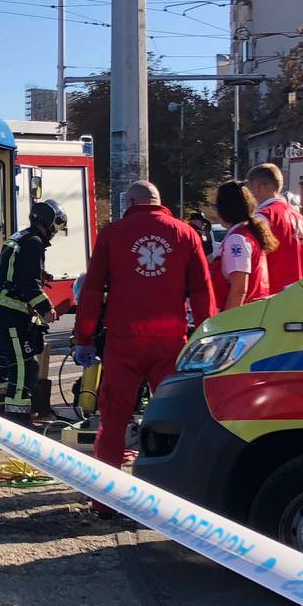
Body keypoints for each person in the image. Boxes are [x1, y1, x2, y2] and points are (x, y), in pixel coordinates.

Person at [74, 180, 215, 486]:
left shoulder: (112, 234)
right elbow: (203, 291)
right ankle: (174, 491)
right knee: (174, 418)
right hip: (170, 341)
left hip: (124, 341)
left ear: (130, 203)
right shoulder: (186, 233)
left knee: (113, 421)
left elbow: (93, 289)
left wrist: (84, 336)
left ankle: (107, 499)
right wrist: (206, 338)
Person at [0, 197, 66, 422]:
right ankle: (17, 416)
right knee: (24, 363)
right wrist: (46, 309)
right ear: (49, 221)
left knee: (4, 356)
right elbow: (28, 284)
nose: (54, 230)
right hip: (11, 310)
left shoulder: (20, 236)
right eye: (56, 225)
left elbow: (14, 270)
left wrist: (41, 274)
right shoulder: (34, 242)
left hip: (1, 306)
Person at [247, 161, 303, 292]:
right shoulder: (301, 219)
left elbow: (252, 263)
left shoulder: (263, 218)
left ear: (257, 187)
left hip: (273, 297)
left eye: (249, 189)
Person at [211, 180, 277, 311]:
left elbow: (239, 289)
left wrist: (225, 323)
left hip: (241, 320)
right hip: (252, 314)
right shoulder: (249, 234)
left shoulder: (236, 239)